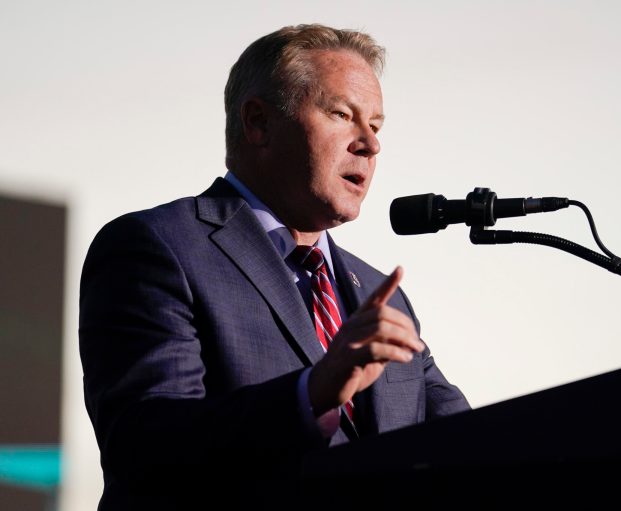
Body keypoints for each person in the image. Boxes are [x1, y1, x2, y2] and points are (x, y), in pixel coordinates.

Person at [79, 24, 469, 509]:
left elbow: (469, 445)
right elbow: (146, 447)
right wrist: (312, 393)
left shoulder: (379, 293)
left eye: (376, 124)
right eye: (342, 115)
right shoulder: (157, 247)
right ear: (259, 123)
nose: (370, 144)